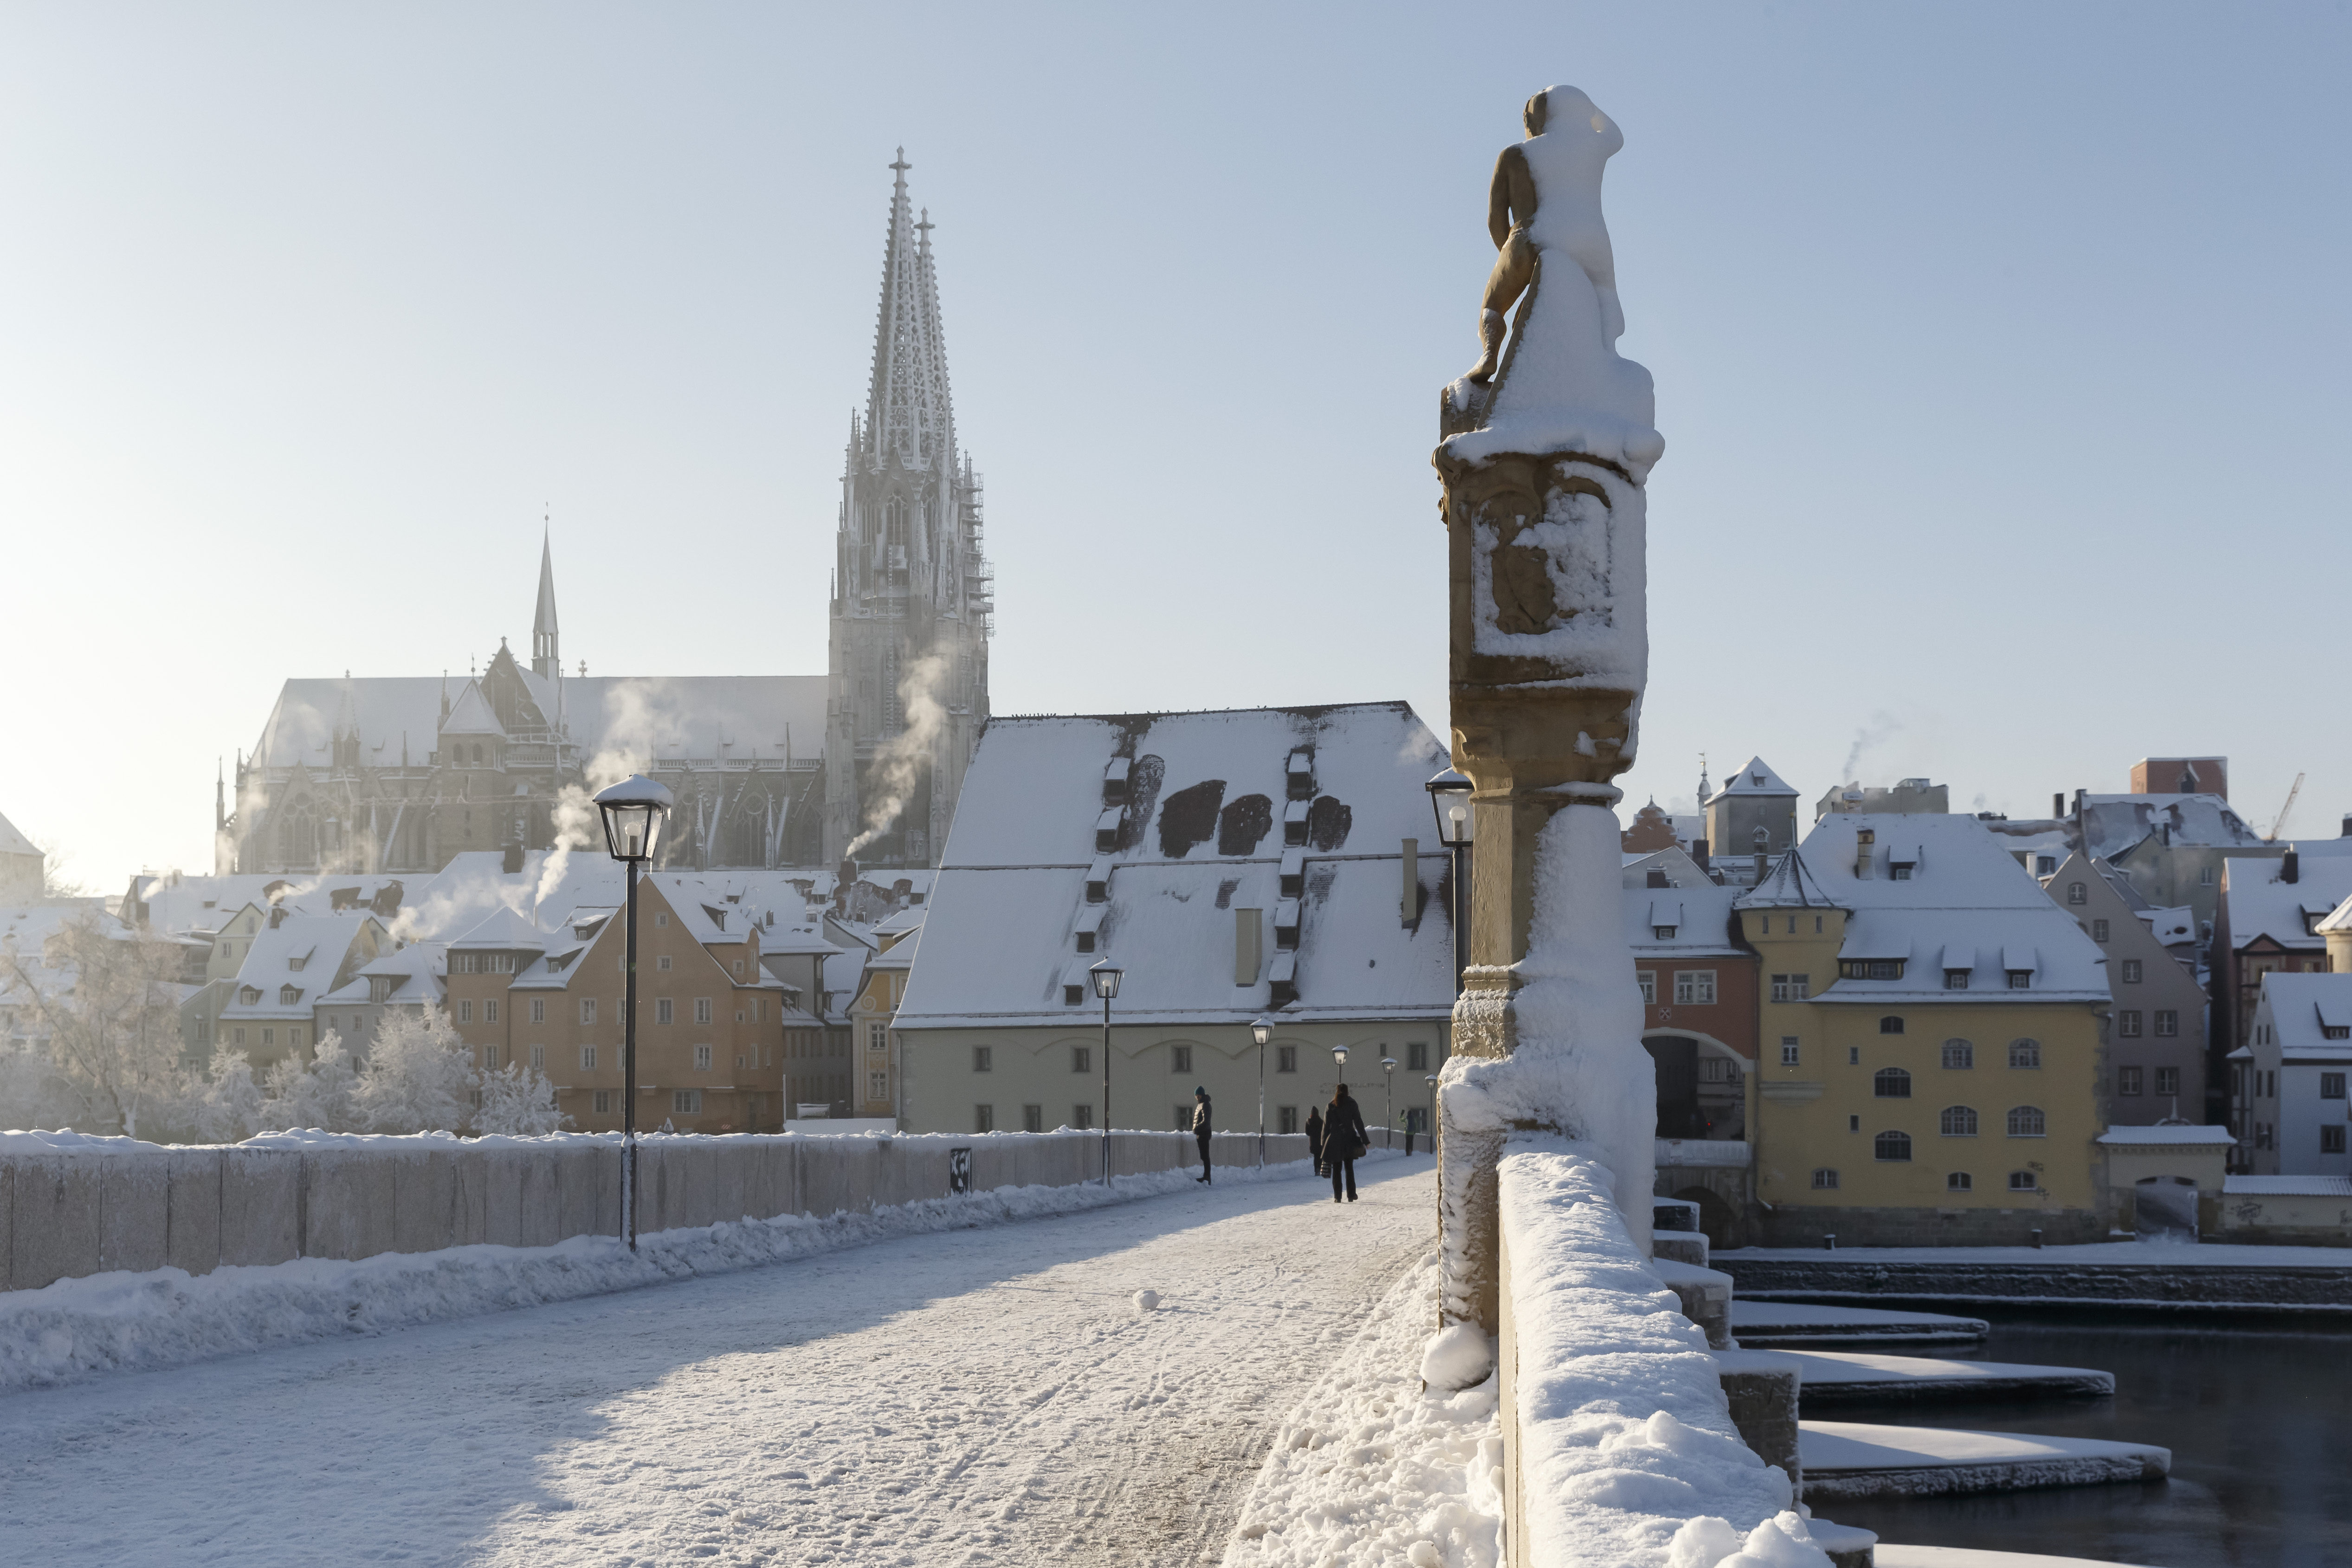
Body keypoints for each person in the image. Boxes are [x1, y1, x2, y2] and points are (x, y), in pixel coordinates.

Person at [1325, 1085, 1368, 1204]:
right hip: (1349, 1140)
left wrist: (1323, 1144)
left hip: (1335, 1141)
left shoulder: (1331, 1106)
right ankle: (1351, 1195)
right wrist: (1366, 1141)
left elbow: (1326, 1127)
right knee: (1349, 1168)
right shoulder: (1352, 1104)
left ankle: (1337, 1197)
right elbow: (1359, 1123)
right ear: (1348, 1091)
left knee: (1337, 1169)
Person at [1191, 1087, 1213, 1183]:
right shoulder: (1202, 1104)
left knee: (1205, 1156)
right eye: (1196, 1096)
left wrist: (1197, 1128)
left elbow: (1206, 1121)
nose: (1197, 1097)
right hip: (1202, 1134)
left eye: (1198, 1095)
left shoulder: (1205, 1105)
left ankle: (1207, 1176)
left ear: (1202, 1095)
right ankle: (1206, 1176)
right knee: (1204, 1156)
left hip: (1204, 1133)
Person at [1305, 1104, 1325, 1177]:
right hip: (1320, 1142)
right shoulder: (1321, 1122)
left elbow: (1308, 1133)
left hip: (1313, 1143)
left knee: (1316, 1156)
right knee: (1320, 1157)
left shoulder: (1309, 1122)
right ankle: (1318, 1169)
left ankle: (1316, 1170)